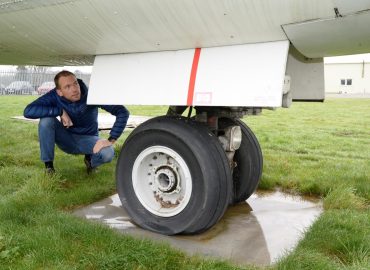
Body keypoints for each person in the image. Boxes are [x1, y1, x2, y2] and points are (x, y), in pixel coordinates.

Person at [24, 70, 129, 174]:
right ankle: (49, 168)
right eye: (67, 87)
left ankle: (91, 162)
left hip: (89, 139)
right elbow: (28, 111)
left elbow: (123, 112)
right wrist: (59, 111)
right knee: (46, 120)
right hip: (66, 138)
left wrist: (111, 139)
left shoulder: (91, 94)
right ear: (59, 92)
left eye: (75, 84)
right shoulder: (54, 96)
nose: (74, 89)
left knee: (108, 153)